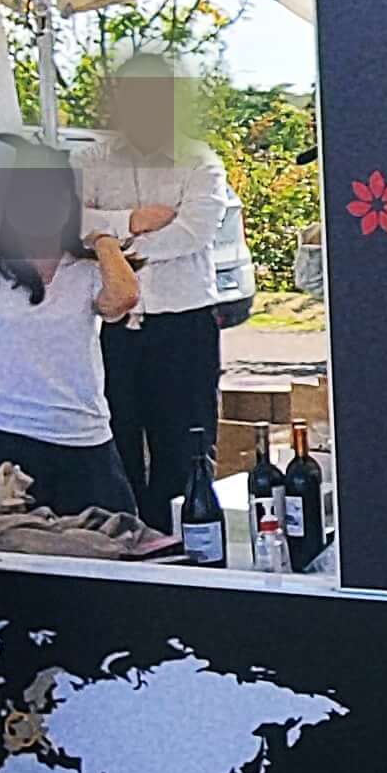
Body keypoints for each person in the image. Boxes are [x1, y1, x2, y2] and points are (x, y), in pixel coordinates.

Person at [81, 54, 247, 529]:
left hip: (183, 323)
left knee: (186, 447)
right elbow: (68, 221)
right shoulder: (89, 160)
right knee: (115, 442)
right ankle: (125, 540)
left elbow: (193, 232)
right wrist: (131, 220)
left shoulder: (200, 161)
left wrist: (110, 245)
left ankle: (190, 545)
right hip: (109, 326)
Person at [0, 139, 144, 516]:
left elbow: (123, 298)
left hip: (82, 434)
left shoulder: (87, 269)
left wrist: (103, 240)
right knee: (12, 548)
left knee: (114, 542)